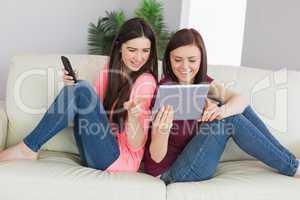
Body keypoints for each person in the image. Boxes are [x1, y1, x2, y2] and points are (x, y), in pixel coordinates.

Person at [0, 18, 158, 173]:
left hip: (120, 162)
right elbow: (91, 111)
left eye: (145, 51)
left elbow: (136, 145)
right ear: (119, 47)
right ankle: (29, 148)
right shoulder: (109, 71)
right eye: (132, 50)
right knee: (79, 87)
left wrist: (133, 117)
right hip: (94, 152)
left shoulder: (146, 82)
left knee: (81, 88)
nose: (139, 58)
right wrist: (71, 90)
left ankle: (28, 148)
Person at [143, 28, 300, 183]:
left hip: (192, 157)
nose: (185, 67)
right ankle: (292, 166)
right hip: (169, 172)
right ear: (169, 59)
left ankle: (289, 161)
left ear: (201, 59)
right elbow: (156, 157)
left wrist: (218, 110)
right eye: (178, 60)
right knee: (230, 119)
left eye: (192, 60)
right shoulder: (166, 92)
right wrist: (161, 131)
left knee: (235, 109)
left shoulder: (202, 84)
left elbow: (241, 101)